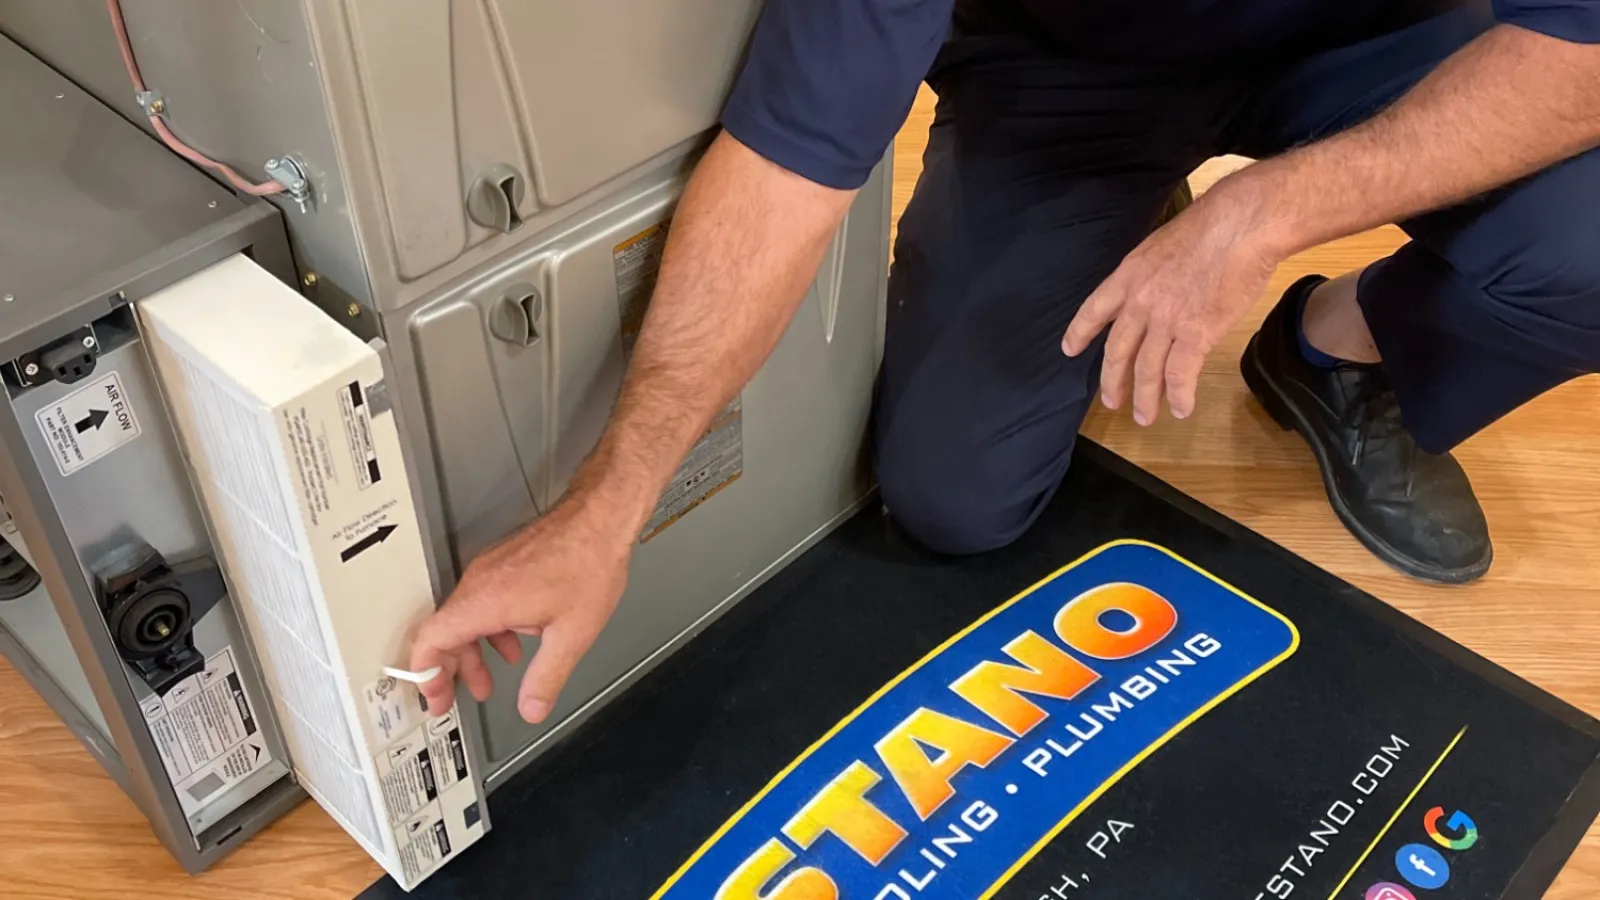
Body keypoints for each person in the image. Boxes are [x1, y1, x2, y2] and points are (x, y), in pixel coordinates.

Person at [410, 0, 1600, 724]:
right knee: (952, 493)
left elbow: (1582, 54)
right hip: (1077, 72)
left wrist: (1261, 218)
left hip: (1381, 39)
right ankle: (1124, 215)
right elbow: (788, 164)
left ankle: (1341, 347)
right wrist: (607, 505)